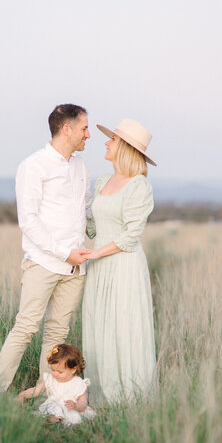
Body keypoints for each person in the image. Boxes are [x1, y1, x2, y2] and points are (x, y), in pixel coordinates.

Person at [0, 104, 91, 392]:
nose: (88, 134)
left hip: (75, 268)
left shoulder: (81, 166)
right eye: (84, 128)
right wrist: (64, 252)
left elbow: (86, 209)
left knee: (58, 334)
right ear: (67, 129)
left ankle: (47, 395)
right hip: (43, 264)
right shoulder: (33, 166)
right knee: (25, 329)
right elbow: (29, 222)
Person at [82, 118, 158, 404]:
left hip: (123, 264)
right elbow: (92, 226)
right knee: (98, 325)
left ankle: (129, 399)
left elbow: (130, 236)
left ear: (124, 147)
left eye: (112, 140)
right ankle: (99, 396)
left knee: (123, 326)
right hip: (99, 263)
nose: (106, 142)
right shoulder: (102, 181)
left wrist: (95, 253)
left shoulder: (139, 186)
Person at [17, 343, 96, 425]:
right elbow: (36, 390)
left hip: (70, 407)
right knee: (52, 408)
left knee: (75, 417)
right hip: (54, 404)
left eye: (60, 372)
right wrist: (23, 394)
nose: (55, 374)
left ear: (73, 369)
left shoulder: (79, 384)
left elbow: (83, 403)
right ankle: (53, 418)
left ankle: (64, 422)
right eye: (53, 369)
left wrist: (75, 405)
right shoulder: (51, 379)